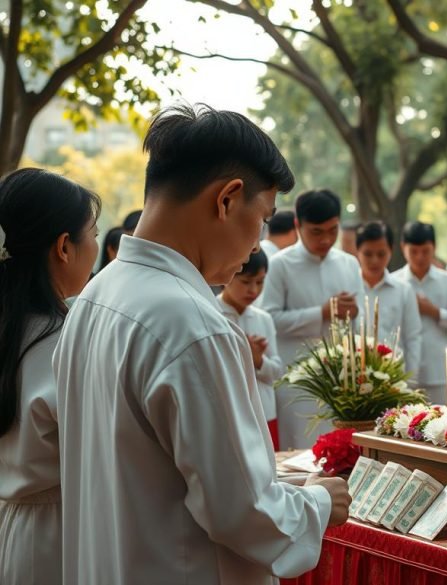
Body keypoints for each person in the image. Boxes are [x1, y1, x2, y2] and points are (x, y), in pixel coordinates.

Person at [53, 105, 351, 585]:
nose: (256, 246)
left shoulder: (95, 295)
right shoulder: (191, 322)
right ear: (228, 199)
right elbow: (240, 510)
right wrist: (320, 502)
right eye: (263, 218)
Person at [0, 169, 100, 584]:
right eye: (92, 233)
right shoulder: (65, 341)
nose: (96, 246)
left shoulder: (12, 328)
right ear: (64, 246)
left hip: (13, 525)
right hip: (61, 533)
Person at [259, 189, 362, 449]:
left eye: (333, 230)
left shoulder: (349, 264)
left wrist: (353, 314)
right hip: (295, 378)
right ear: (298, 225)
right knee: (299, 451)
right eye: (317, 232)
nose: (326, 239)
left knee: (342, 449)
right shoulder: (280, 264)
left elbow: (357, 320)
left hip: (340, 377)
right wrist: (322, 313)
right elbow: (269, 318)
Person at [217, 249, 284, 450]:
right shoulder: (212, 313)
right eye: (246, 282)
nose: (253, 290)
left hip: (264, 411)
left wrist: (258, 360)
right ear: (228, 276)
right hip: (230, 412)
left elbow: (278, 371)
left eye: (260, 282)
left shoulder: (263, 318)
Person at [393, 221, 447, 405]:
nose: (419, 257)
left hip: (440, 368)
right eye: (413, 251)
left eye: (425, 251)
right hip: (402, 369)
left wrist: (434, 311)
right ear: (403, 248)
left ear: (434, 248)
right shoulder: (394, 283)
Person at [355, 220, 422, 376]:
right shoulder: (348, 288)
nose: (374, 260)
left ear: (391, 250)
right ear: (357, 250)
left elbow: (413, 337)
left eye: (381, 254)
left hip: (393, 376)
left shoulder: (404, 290)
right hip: (353, 376)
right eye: (368, 254)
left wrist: (410, 379)